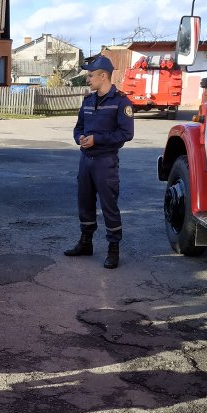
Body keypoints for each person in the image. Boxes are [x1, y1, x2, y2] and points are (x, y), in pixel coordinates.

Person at [65, 55, 134, 269]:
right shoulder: (88, 101)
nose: (87, 79)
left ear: (103, 76)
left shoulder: (121, 102)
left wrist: (98, 139)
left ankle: (113, 249)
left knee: (109, 206)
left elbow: (126, 133)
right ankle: (86, 243)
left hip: (105, 162)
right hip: (85, 160)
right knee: (84, 202)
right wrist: (80, 138)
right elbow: (78, 128)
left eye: (90, 75)